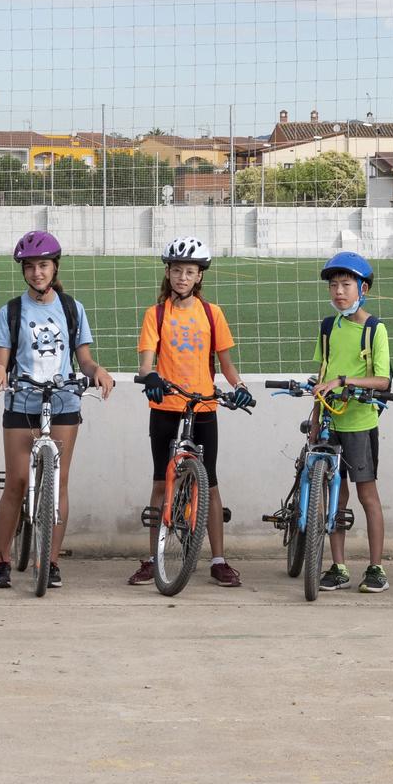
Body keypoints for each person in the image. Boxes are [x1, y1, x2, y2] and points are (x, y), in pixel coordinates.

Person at [0, 231, 115, 590]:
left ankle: (51, 561)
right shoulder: (11, 311)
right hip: (22, 401)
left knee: (59, 483)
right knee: (16, 482)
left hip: (63, 401)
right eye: (30, 267)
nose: (37, 272)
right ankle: (2, 560)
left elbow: (84, 359)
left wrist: (97, 371)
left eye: (43, 265)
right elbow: (0, 361)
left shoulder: (72, 309)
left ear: (55, 267)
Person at [128, 237, 254, 587]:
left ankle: (218, 560)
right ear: (167, 274)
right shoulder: (155, 315)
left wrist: (240, 386)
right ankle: (153, 558)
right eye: (177, 271)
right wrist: (150, 376)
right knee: (160, 482)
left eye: (189, 272)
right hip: (166, 406)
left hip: (203, 406)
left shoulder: (212, 314)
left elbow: (226, 364)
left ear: (199, 276)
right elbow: (145, 363)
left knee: (209, 483)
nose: (182, 277)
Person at [311, 251, 393, 593]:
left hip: (359, 423)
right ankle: (338, 566)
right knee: (335, 495)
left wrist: (345, 381)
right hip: (330, 422)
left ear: (363, 289)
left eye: (346, 285)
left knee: (367, 494)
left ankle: (376, 567)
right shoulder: (328, 327)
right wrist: (315, 417)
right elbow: (321, 375)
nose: (339, 292)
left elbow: (383, 380)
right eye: (334, 285)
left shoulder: (375, 329)